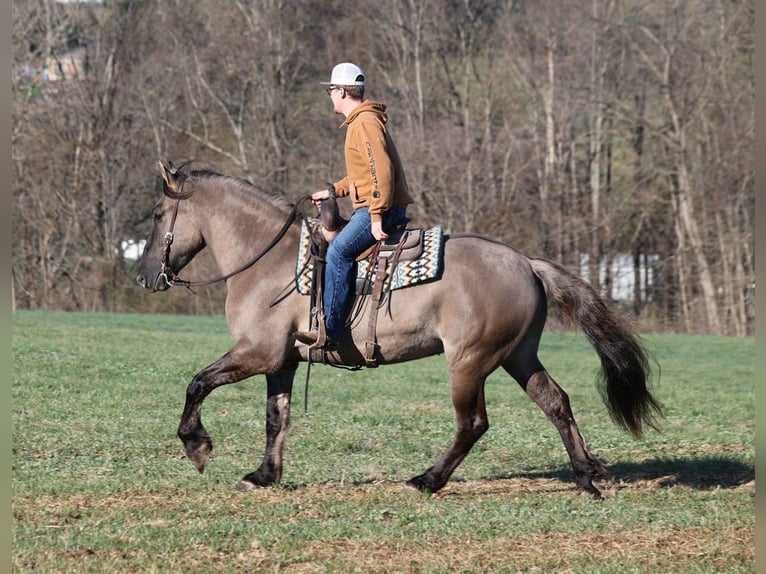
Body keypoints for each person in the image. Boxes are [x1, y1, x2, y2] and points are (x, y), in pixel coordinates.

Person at [295, 62, 415, 349]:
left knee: (338, 251)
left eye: (331, 91)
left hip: (381, 209)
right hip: (377, 205)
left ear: (342, 92)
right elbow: (363, 175)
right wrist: (332, 190)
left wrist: (375, 217)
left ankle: (330, 330)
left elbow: (381, 173)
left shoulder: (364, 123)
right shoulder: (361, 121)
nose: (331, 96)